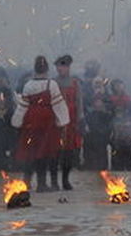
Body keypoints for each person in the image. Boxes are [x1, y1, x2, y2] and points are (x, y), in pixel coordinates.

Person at [10, 56, 69, 192]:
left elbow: (23, 106)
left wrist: (17, 121)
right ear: (47, 69)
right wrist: (63, 122)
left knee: (30, 151)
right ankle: (41, 184)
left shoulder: (28, 85)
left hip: (31, 121)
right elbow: (58, 105)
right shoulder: (52, 84)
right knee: (44, 153)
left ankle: (27, 181)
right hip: (46, 122)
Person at [53, 55, 82, 190]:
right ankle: (54, 181)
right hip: (56, 122)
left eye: (63, 66)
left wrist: (80, 118)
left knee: (68, 152)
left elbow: (79, 102)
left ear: (68, 67)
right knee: (54, 152)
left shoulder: (75, 83)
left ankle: (65, 180)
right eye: (59, 66)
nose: (60, 69)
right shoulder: (53, 83)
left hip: (71, 122)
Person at [109, 79, 131, 171]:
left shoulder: (127, 98)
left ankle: (128, 165)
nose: (119, 87)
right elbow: (110, 112)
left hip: (127, 124)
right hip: (115, 125)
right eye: (117, 85)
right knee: (116, 145)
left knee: (128, 145)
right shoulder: (110, 98)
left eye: (120, 85)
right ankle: (116, 166)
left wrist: (130, 121)